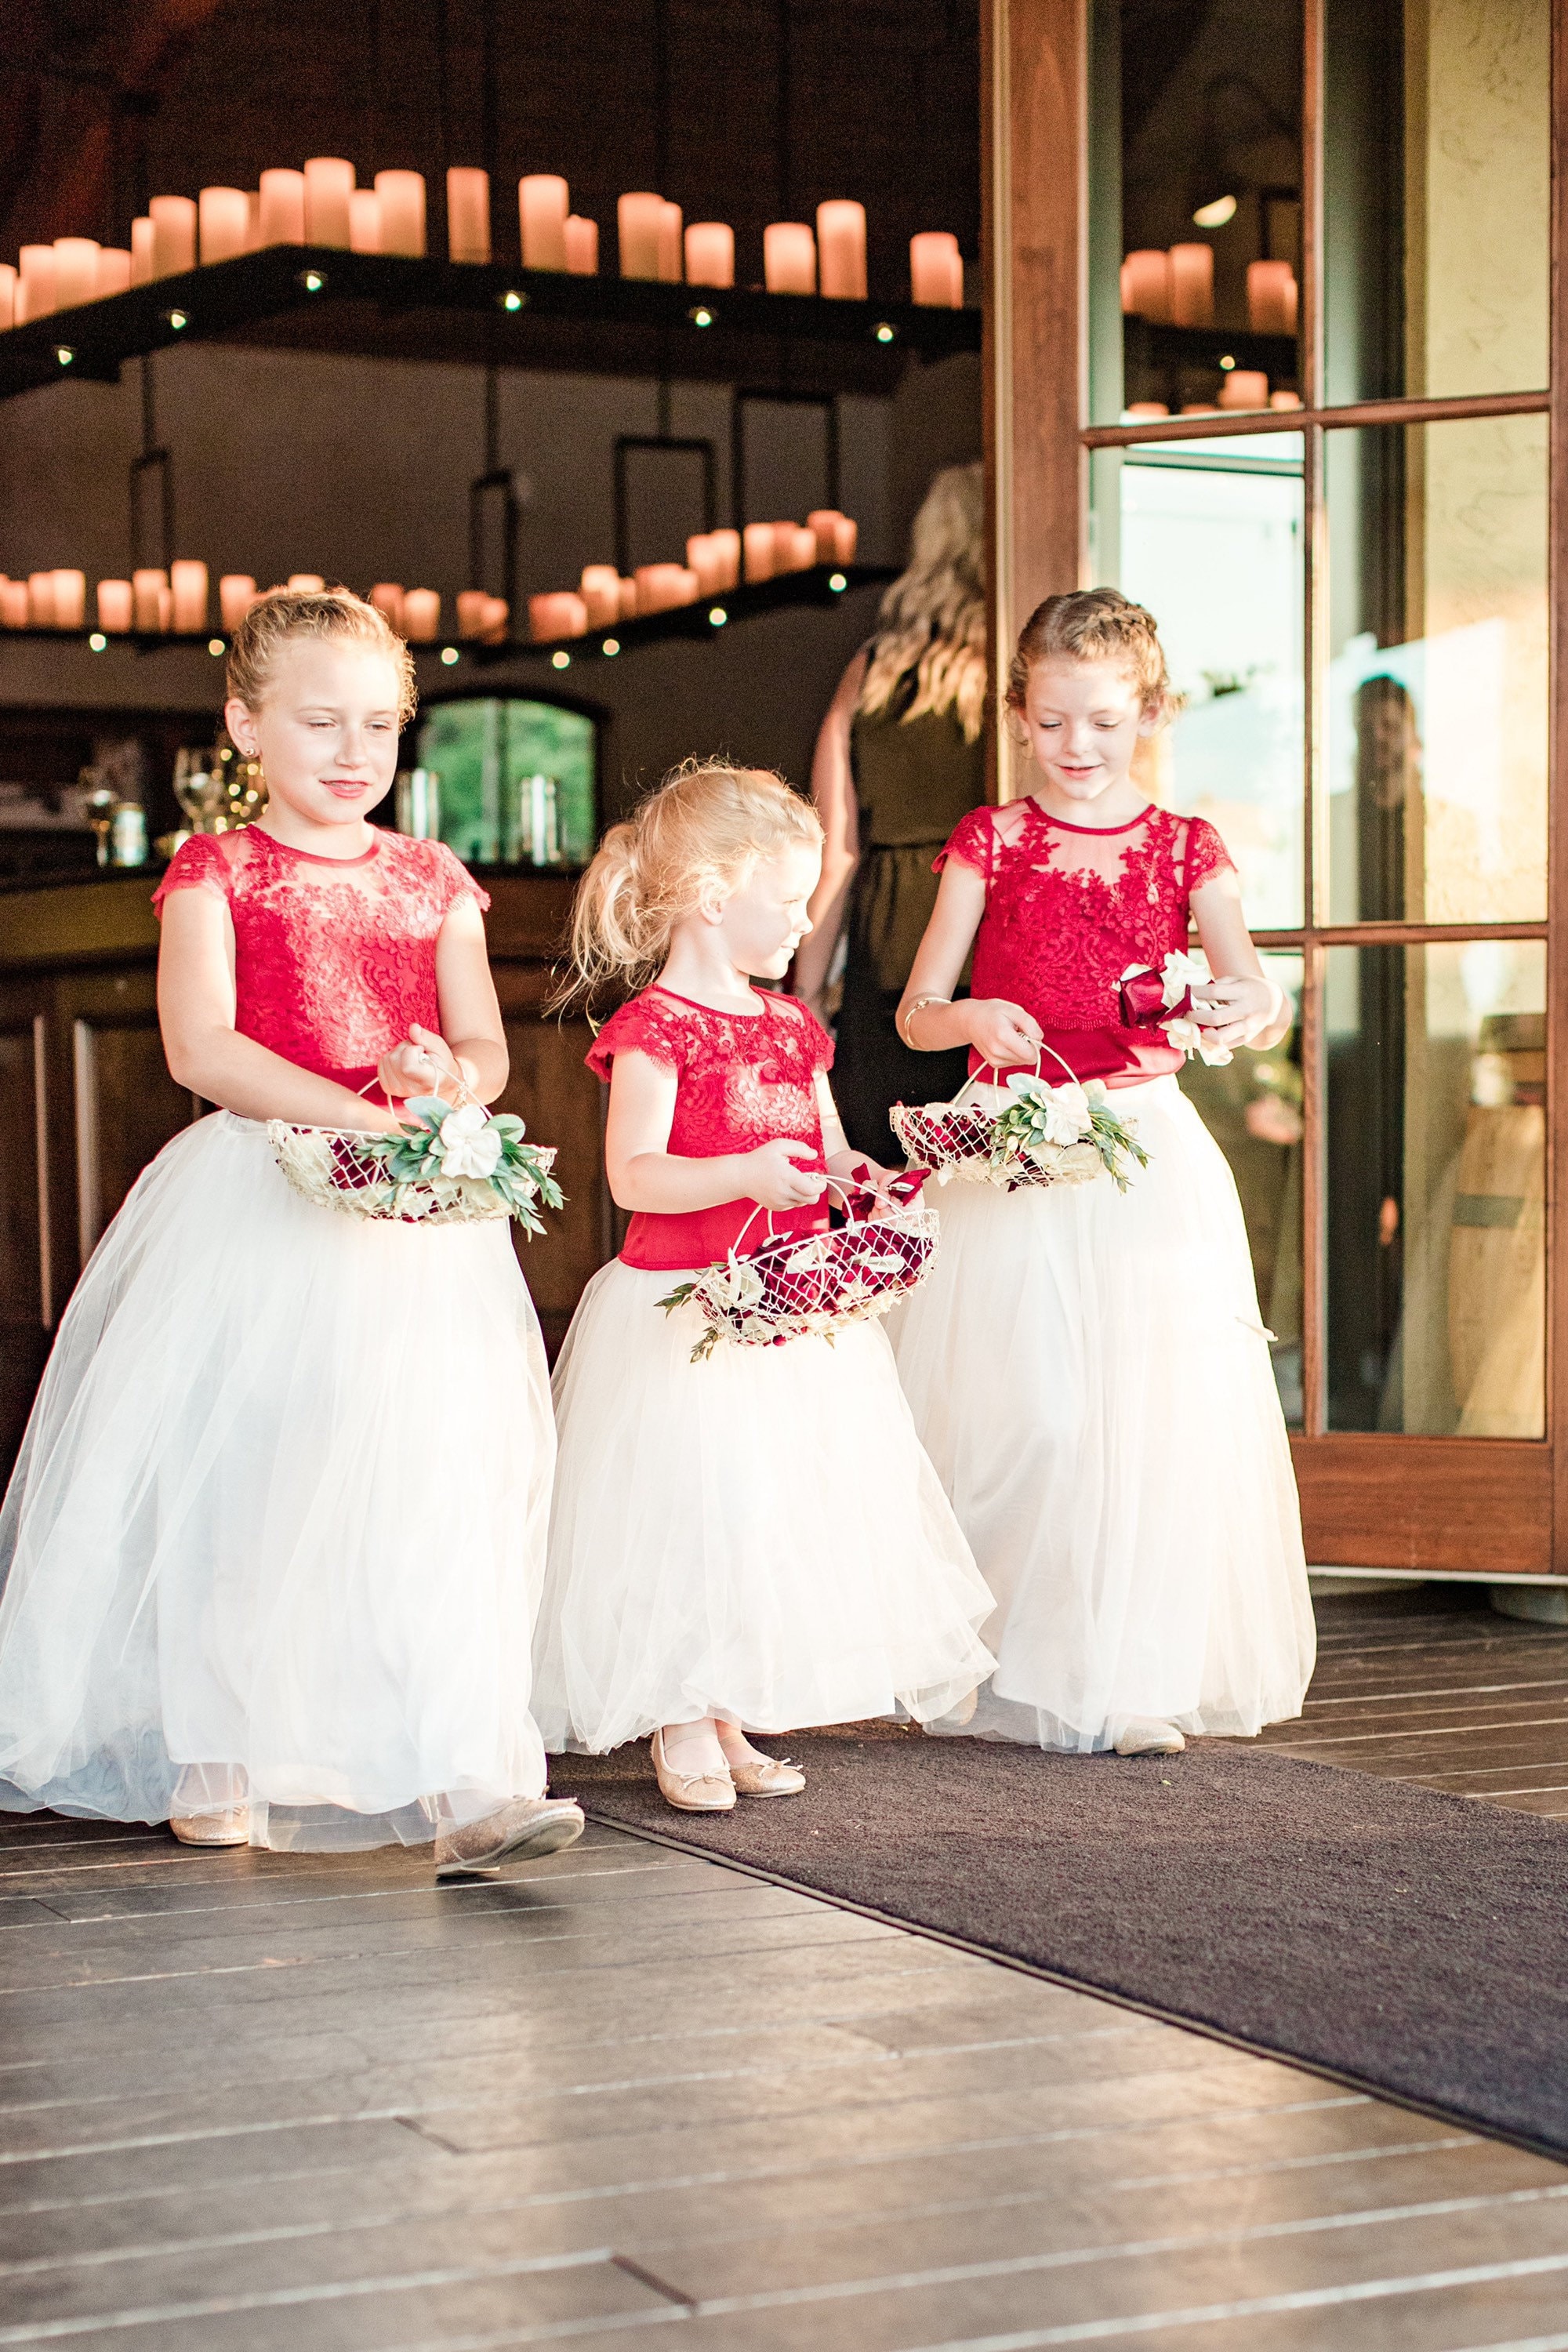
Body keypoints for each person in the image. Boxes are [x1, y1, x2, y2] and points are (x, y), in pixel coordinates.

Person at [0, 587, 583, 1875]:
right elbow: (203, 1047)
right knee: (257, 1469)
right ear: (245, 725)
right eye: (320, 721)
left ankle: (468, 1778)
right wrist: (353, 1117)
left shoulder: (434, 878)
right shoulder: (218, 871)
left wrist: (451, 1088)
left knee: (439, 1474)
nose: (354, 751)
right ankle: (220, 1741)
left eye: (380, 723)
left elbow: (483, 1044)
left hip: (415, 1224)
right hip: (260, 1197)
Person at [891, 588, 1315, 1757]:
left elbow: (1251, 988)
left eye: (1106, 724)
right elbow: (920, 1015)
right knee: (1028, 1414)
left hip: (1141, 1149)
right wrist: (977, 1009)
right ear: (1020, 715)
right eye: (1054, 722)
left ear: (1152, 715)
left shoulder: (1189, 847)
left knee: (1146, 1415)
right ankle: (1005, 1656)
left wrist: (1239, 1003)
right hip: (1012, 1149)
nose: (1079, 749)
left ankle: (1131, 1673)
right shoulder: (991, 840)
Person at [533, 759, 995, 1811]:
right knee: (689, 1511)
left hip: (784, 1308)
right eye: (786, 901)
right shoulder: (656, 1029)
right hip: (682, 1304)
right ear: (711, 898)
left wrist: (858, 1176)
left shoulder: (791, 1025)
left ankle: (730, 1703)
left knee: (760, 1512)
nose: (802, 922)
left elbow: (823, 1145)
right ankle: (682, 1711)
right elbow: (632, 1174)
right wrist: (742, 1173)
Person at [793, 462, 986, 1159]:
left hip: (888, 933)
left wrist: (807, 988)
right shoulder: (1021, 683)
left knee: (886, 1153)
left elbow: (835, 844)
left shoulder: (871, 669)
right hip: (988, 925)